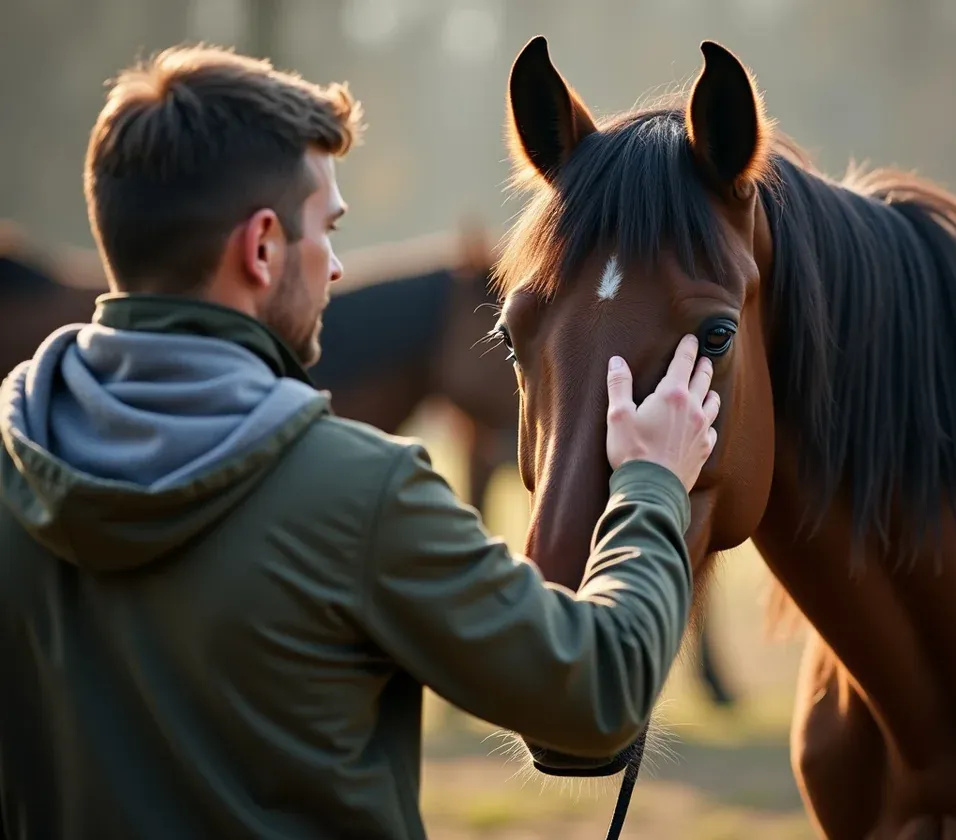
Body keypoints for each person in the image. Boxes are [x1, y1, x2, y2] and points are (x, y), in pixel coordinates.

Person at [0, 46, 719, 840]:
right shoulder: (359, 495)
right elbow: (594, 699)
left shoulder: (12, 465)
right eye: (328, 229)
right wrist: (651, 482)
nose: (337, 268)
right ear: (262, 248)